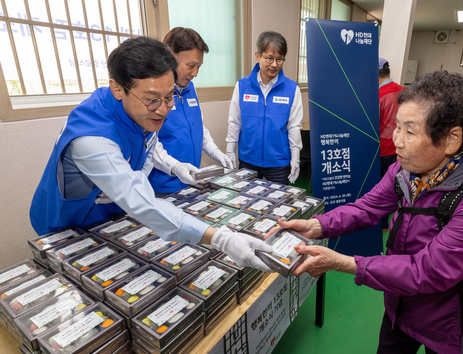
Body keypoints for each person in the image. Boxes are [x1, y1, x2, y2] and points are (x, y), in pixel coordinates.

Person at [269, 71, 463, 353]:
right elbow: (368, 207)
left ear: (451, 139)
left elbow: (430, 270)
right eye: (397, 127)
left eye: (409, 131)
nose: (396, 140)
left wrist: (346, 263)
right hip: (404, 304)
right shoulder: (405, 169)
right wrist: (318, 225)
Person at [30, 36, 272, 271]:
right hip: (69, 223)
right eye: (153, 100)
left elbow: (148, 143)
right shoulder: (91, 138)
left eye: (168, 97)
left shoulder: (138, 108)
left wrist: (173, 166)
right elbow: (140, 202)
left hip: (112, 217)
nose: (163, 109)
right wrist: (223, 239)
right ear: (117, 88)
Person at [148, 27, 233, 195]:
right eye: (191, 66)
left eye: (199, 66)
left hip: (192, 182)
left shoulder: (189, 88)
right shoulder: (154, 92)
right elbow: (149, 143)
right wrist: (175, 167)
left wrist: (216, 152)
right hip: (164, 186)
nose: (195, 73)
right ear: (170, 57)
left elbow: (198, 127)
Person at [226, 31, 303, 185]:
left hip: (278, 163)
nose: (274, 64)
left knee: (279, 204)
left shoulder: (292, 89)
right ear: (258, 56)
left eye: (279, 59)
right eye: (269, 58)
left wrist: (295, 158)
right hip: (248, 160)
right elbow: (235, 121)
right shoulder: (243, 86)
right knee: (246, 204)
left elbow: (294, 126)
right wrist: (229, 151)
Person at [378, 57, 404, 230]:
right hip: (402, 148)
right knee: (395, 184)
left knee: (379, 187)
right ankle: (388, 223)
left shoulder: (378, 95)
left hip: (382, 148)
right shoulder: (405, 91)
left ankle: (379, 223)